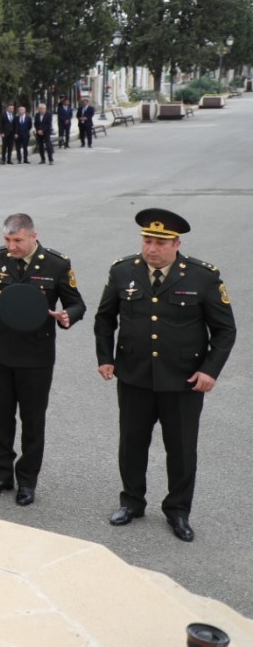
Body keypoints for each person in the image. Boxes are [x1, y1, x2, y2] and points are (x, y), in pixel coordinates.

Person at [95, 209, 237, 543]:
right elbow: (105, 319)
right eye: (147, 241)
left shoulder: (202, 277)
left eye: (160, 242)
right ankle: (131, 502)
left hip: (184, 380)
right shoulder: (122, 271)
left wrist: (210, 370)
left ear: (176, 244)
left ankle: (178, 511)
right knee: (131, 444)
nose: (151, 249)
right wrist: (106, 358)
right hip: (134, 376)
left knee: (182, 448)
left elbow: (225, 330)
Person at [0, 213, 85, 506]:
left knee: (32, 422)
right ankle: (1, 475)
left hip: (36, 355)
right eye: (7, 240)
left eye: (17, 240)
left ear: (33, 236)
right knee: (1, 417)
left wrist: (69, 316)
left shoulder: (56, 264)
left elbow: (76, 302)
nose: (11, 246)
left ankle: (27, 481)